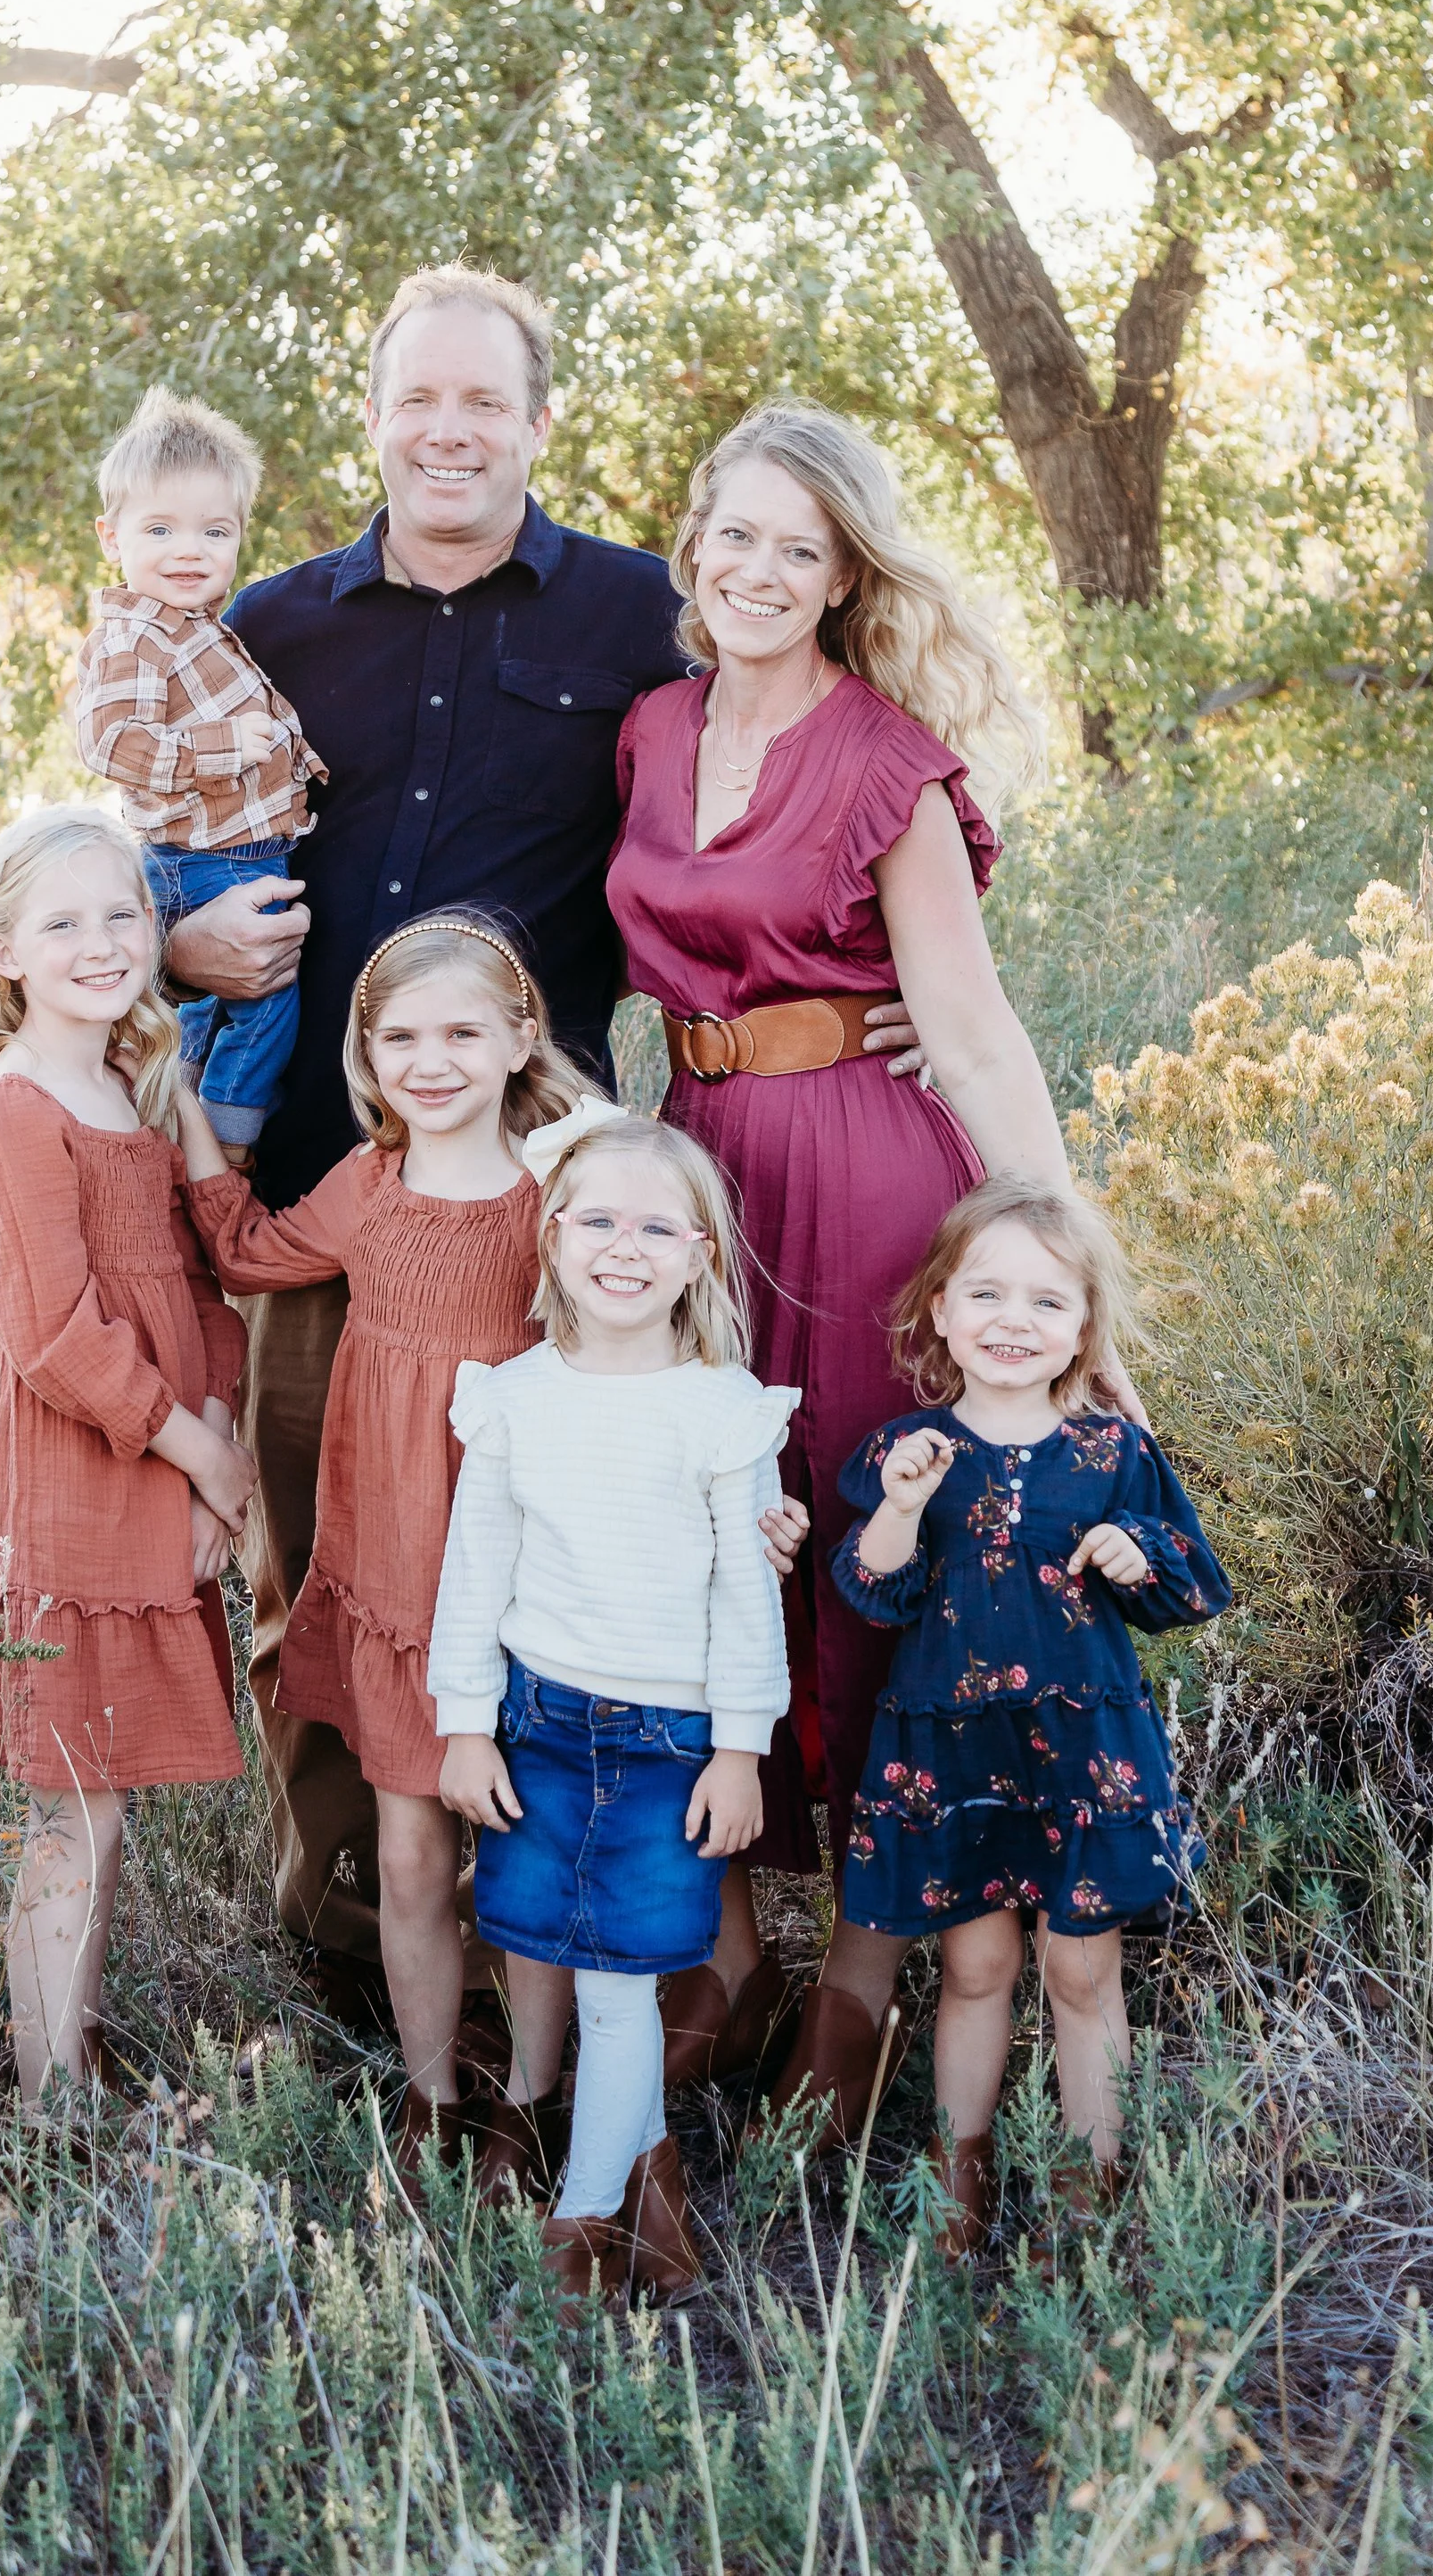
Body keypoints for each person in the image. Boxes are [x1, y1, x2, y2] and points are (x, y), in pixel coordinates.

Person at [163, 272, 912, 2000]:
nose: (447, 431)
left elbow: (818, 755)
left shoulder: (643, 619)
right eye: (417, 399)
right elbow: (133, 846)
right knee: (323, 1587)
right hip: (313, 1196)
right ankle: (356, 1957)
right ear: (371, 412)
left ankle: (561, 1969)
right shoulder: (261, 630)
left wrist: (880, 983)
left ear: (537, 422)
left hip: (550, 1230)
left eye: (483, 403)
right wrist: (184, 951)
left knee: (550, 1594)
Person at [607, 399, 1099, 2153]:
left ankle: (855, 2003)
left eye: (795, 550)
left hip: (870, 1181)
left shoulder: (885, 760)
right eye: (732, 535)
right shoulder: (648, 731)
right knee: (689, 1552)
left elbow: (965, 1033)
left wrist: (1061, 1272)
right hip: (694, 1177)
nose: (756, 570)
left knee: (869, 1576)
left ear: (840, 578)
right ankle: (724, 1959)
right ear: (693, 544)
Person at [172, 911, 586, 2161]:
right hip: (404, 1562)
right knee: (410, 1845)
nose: (431, 1058)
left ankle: (530, 2092)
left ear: (523, 1035)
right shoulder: (368, 1186)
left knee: (527, 1846)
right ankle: (432, 2091)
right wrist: (188, 1104)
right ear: (366, 1052)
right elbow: (244, 1249)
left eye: (463, 1029)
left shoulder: (563, 1183)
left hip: (533, 1564)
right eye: (399, 1035)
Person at [430, 1103, 793, 2303]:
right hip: (540, 1724)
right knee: (553, 1947)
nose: (622, 1244)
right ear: (553, 1235)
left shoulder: (723, 1407)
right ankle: (647, 2173)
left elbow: (748, 1594)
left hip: (667, 1741)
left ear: (699, 1253)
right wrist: (465, 1719)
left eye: (656, 1223)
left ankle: (582, 2218)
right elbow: (475, 1567)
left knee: (619, 1980)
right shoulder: (515, 1395)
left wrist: (741, 1749)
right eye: (596, 1217)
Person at [832, 1177, 1230, 2256]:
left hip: (1083, 1759)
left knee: (1079, 1967)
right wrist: (906, 1508)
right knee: (975, 1969)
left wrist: (1135, 1554)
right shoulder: (906, 1452)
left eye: (1047, 1304)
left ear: (1084, 1333)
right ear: (940, 1313)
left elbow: (1191, 1592)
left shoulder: (1113, 1455)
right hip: (953, 1754)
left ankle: (1085, 2185)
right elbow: (871, 1590)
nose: (1014, 1321)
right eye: (988, 1295)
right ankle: (957, 2184)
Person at [0, 808, 258, 2106]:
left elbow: (195, 1281)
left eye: (122, 914)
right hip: (73, 1490)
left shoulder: (135, 1085)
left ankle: (70, 2051)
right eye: (61, 922)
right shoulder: (13, 1107)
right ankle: (45, 2096)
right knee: (76, 1810)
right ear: (3, 947)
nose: (100, 942)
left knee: (106, 1797)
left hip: (157, 1471)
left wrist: (219, 1429)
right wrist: (203, 1457)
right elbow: (55, 1337)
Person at [74, 388, 325, 1149]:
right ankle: (225, 1143)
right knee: (268, 1002)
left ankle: (176, 1127)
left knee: (213, 1007)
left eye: (213, 531)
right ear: (110, 535)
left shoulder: (198, 627)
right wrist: (222, 751)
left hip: (242, 853)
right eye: (160, 529)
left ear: (240, 537)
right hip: (207, 860)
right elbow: (111, 744)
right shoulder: (134, 639)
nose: (190, 550)